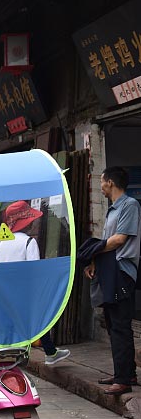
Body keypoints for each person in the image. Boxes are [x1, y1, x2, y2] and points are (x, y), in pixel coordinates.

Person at [84, 167, 141, 395]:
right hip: (109, 271)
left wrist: (92, 249)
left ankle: (123, 380)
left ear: (110, 182)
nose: (100, 185)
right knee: (112, 324)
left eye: (101, 180)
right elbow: (108, 242)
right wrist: (94, 264)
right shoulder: (112, 210)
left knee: (120, 326)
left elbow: (118, 241)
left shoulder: (129, 205)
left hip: (122, 272)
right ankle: (127, 373)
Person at [0, 200, 70, 366]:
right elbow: (35, 272)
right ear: (27, 222)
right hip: (24, 293)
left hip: (6, 292)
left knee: (13, 325)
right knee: (40, 321)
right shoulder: (29, 242)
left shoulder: (4, 242)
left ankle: (8, 355)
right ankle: (50, 353)